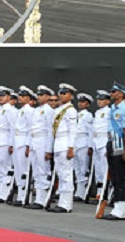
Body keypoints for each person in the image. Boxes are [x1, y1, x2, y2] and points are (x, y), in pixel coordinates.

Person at [100, 82, 125, 220]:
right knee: (114, 176)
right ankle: (117, 206)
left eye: (114, 92)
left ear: (121, 94)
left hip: (120, 145)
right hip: (111, 143)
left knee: (120, 177)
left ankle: (121, 209)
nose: (112, 94)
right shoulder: (112, 108)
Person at [47, 83, 78, 213]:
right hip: (58, 143)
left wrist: (71, 147)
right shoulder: (59, 109)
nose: (61, 95)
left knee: (66, 174)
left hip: (65, 143)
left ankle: (66, 204)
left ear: (71, 95)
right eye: (61, 93)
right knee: (61, 174)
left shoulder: (70, 110)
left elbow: (73, 130)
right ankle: (62, 202)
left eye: (65, 93)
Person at [25, 85, 55, 209]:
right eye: (38, 95)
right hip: (34, 140)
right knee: (36, 170)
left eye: (42, 95)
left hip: (43, 140)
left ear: (48, 97)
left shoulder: (49, 110)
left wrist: (49, 149)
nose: (39, 97)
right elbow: (30, 129)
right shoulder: (36, 110)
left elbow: (50, 131)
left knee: (43, 170)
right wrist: (29, 145)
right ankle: (38, 197)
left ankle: (43, 198)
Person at [73, 93, 94, 201]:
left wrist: (90, 146)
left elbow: (91, 131)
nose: (80, 104)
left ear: (88, 104)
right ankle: (78, 191)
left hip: (84, 142)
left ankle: (82, 192)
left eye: (83, 102)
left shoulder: (88, 115)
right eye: (80, 102)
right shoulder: (76, 114)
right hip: (75, 143)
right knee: (76, 168)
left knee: (83, 168)